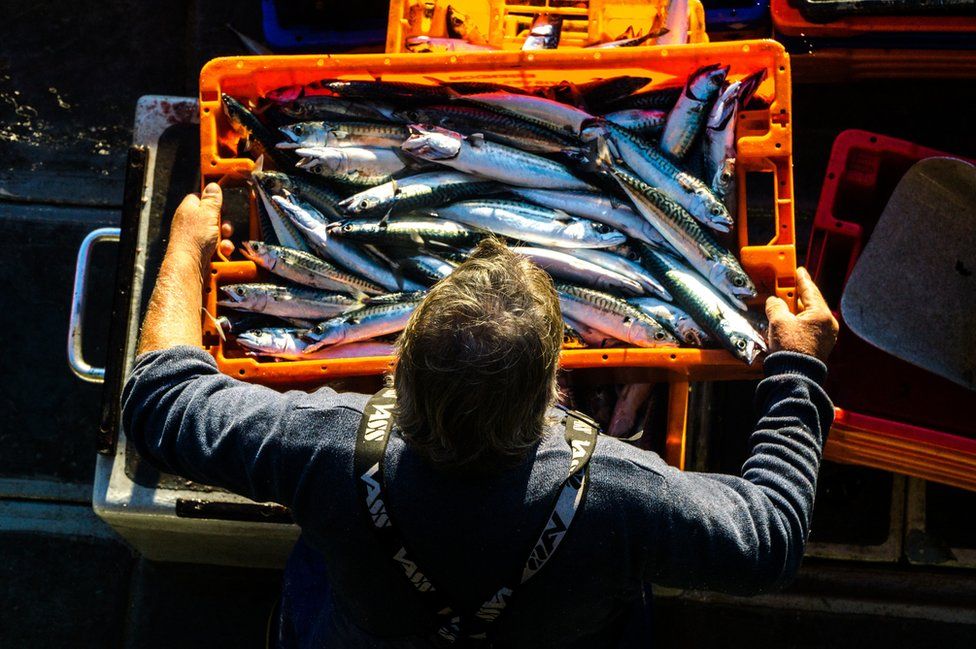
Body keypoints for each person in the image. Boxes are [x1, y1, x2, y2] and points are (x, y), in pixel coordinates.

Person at [122, 184, 839, 648]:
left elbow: (157, 401)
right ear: (555, 385)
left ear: (397, 362)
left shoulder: (323, 448)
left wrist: (185, 244)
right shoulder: (621, 495)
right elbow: (768, 536)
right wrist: (798, 368)